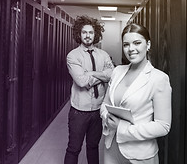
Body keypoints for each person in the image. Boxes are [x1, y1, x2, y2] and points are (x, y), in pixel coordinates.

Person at [100, 23, 172, 164]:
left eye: (137, 43)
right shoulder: (117, 71)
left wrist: (120, 127)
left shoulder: (158, 78)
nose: (131, 49)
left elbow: (163, 126)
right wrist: (106, 116)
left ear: (148, 44)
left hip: (140, 155)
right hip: (111, 148)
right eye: (126, 44)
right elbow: (105, 104)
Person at [64, 15, 114, 164]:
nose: (87, 36)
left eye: (90, 32)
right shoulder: (73, 56)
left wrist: (91, 73)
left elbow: (112, 75)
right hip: (79, 111)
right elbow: (81, 81)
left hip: (98, 110)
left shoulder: (103, 55)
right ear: (79, 34)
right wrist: (102, 75)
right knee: (74, 148)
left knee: (93, 147)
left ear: (96, 34)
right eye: (84, 32)